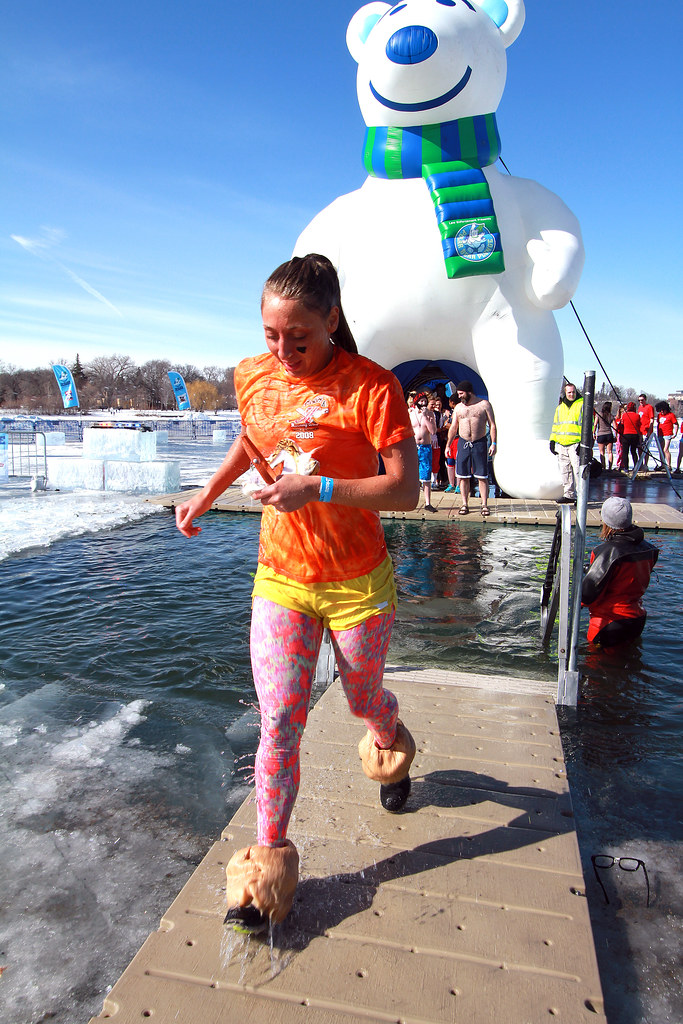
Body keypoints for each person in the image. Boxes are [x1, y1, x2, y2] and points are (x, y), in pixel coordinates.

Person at [175, 254, 419, 929]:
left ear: (331, 320)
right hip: (280, 576)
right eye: (269, 336)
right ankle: (267, 864)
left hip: (354, 581)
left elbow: (404, 489)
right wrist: (207, 493)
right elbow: (251, 441)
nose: (281, 352)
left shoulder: (370, 387)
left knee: (363, 696)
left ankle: (390, 745)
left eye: (298, 338)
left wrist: (319, 488)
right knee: (280, 716)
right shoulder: (252, 376)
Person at [581, 497, 658, 647]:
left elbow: (587, 595)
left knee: (596, 666)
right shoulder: (650, 549)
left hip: (608, 622)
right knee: (628, 662)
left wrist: (587, 573)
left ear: (606, 522)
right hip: (637, 618)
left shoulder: (604, 552)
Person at [446, 381, 497, 516]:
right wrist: (448, 445)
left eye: (461, 394)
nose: (460, 397)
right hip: (463, 443)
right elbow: (453, 427)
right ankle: (464, 503)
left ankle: (484, 504)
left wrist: (494, 443)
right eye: (458, 394)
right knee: (463, 476)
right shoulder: (458, 408)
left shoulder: (483, 405)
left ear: (469, 392)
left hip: (479, 443)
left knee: (482, 476)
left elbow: (492, 425)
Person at [549, 382, 583, 502]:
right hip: (562, 444)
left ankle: (580, 496)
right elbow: (555, 426)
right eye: (569, 392)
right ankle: (568, 494)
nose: (571, 394)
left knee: (578, 471)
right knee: (565, 471)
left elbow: (588, 427)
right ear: (565, 393)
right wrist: (552, 440)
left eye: (573, 392)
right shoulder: (560, 408)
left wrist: (584, 443)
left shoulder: (582, 405)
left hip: (575, 444)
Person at [410, 391, 438, 511]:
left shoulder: (430, 414)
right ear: (416, 402)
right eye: (421, 401)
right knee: (412, 474)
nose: (423, 403)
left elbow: (433, 431)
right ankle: (410, 501)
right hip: (413, 447)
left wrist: (427, 416)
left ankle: (427, 503)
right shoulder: (410, 413)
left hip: (425, 447)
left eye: (425, 401)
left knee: (426, 474)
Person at [655, 401, 678, 471]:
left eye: (663, 410)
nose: (662, 412)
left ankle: (668, 465)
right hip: (660, 434)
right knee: (661, 450)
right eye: (660, 410)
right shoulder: (659, 415)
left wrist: (675, 433)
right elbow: (658, 423)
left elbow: (676, 424)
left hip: (668, 434)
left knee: (666, 449)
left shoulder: (671, 415)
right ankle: (662, 464)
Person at [620, 401, 641, 472]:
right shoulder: (637, 415)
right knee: (633, 451)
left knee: (625, 452)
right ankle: (636, 467)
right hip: (635, 435)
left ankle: (626, 468)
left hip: (626, 434)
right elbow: (639, 425)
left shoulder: (624, 415)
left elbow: (622, 424)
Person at [593, 401, 614, 471]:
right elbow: (615, 426)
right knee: (610, 452)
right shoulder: (610, 415)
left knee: (602, 453)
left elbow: (595, 424)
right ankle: (610, 468)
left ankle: (603, 467)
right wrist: (616, 435)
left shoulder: (599, 414)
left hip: (601, 434)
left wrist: (594, 433)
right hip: (609, 434)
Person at [637, 392, 655, 468]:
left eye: (642, 400)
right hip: (640, 430)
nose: (641, 402)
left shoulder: (649, 407)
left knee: (645, 449)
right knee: (639, 447)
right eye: (639, 400)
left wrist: (649, 431)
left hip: (646, 430)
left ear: (645, 400)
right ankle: (640, 463)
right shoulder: (639, 408)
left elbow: (652, 420)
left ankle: (645, 464)